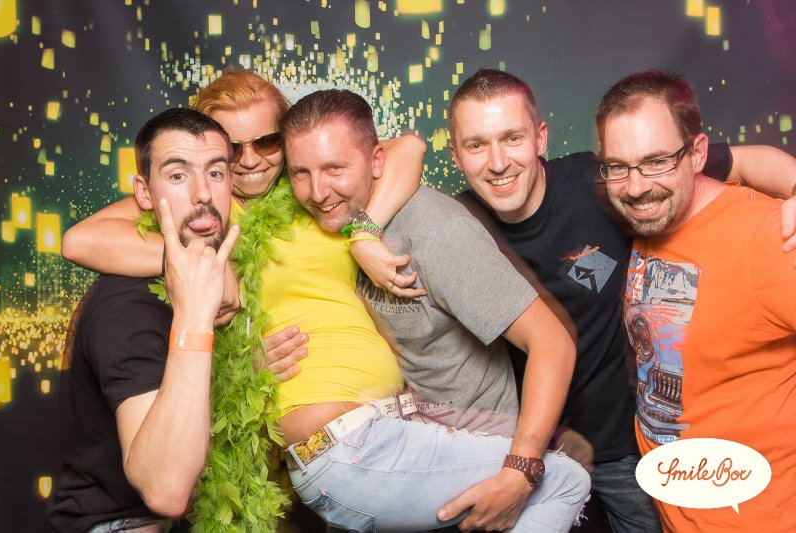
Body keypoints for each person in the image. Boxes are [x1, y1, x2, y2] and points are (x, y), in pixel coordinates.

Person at [60, 71, 425, 530]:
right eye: (232, 151)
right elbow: (79, 240)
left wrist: (365, 232)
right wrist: (206, 263)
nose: (250, 161)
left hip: (375, 418)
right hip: (279, 437)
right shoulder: (204, 208)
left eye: (267, 142)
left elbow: (409, 148)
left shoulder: (313, 189)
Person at [448, 68, 796, 532]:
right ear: (455, 154)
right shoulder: (456, 227)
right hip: (535, 450)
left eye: (512, 137)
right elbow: (380, 160)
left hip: (629, 451)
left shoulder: (610, 180)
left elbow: (744, 162)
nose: (498, 162)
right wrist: (365, 235)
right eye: (476, 145)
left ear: (540, 138)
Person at [282, 88, 589, 532]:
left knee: (566, 483)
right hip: (405, 450)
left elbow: (552, 342)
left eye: (335, 169)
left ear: (377, 161)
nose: (317, 191)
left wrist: (520, 469)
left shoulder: (436, 231)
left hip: (478, 450)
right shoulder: (335, 232)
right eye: (301, 173)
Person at [596, 69, 796, 531]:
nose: (636, 187)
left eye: (656, 162)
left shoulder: (767, 239)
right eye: (618, 167)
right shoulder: (652, 217)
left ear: (698, 154)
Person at [46, 108, 239, 531]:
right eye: (178, 176)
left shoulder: (211, 279)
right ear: (144, 193)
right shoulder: (127, 305)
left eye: (216, 173)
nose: (203, 194)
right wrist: (194, 317)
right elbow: (166, 490)